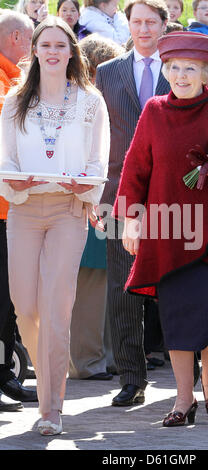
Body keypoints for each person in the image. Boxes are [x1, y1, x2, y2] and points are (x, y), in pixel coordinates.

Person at [112, 31, 208, 425]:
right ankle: (182, 400)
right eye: (174, 68)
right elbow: (136, 165)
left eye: (189, 68)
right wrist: (131, 218)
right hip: (168, 229)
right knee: (176, 314)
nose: (180, 75)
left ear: (207, 72)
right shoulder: (155, 111)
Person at [0, 16, 109, 435]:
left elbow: (98, 158)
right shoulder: (14, 100)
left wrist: (84, 184)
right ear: (35, 50)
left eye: (59, 45)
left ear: (70, 52)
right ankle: (46, 377)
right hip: (24, 210)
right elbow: (7, 156)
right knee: (26, 307)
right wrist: (14, 178)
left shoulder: (90, 100)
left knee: (56, 307)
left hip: (69, 209)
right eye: (44, 45)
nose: (51, 52)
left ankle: (52, 407)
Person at [96, 0, 170, 407]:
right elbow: (97, 138)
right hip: (118, 198)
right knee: (122, 292)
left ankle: (185, 374)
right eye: (136, 21)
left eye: (150, 22)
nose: (143, 29)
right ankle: (130, 377)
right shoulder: (107, 74)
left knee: (175, 286)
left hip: (176, 198)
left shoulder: (181, 69)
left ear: (163, 25)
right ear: (128, 25)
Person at [69, 34, 125, 382]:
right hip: (90, 200)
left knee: (107, 281)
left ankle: (105, 357)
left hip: (111, 200)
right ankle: (87, 361)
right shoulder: (81, 102)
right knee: (90, 283)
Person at [0, 10, 38, 409]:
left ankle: (5, 374)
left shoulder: (13, 78)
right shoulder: (6, 82)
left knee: (8, 298)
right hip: (4, 207)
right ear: (16, 38)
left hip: (15, 208)